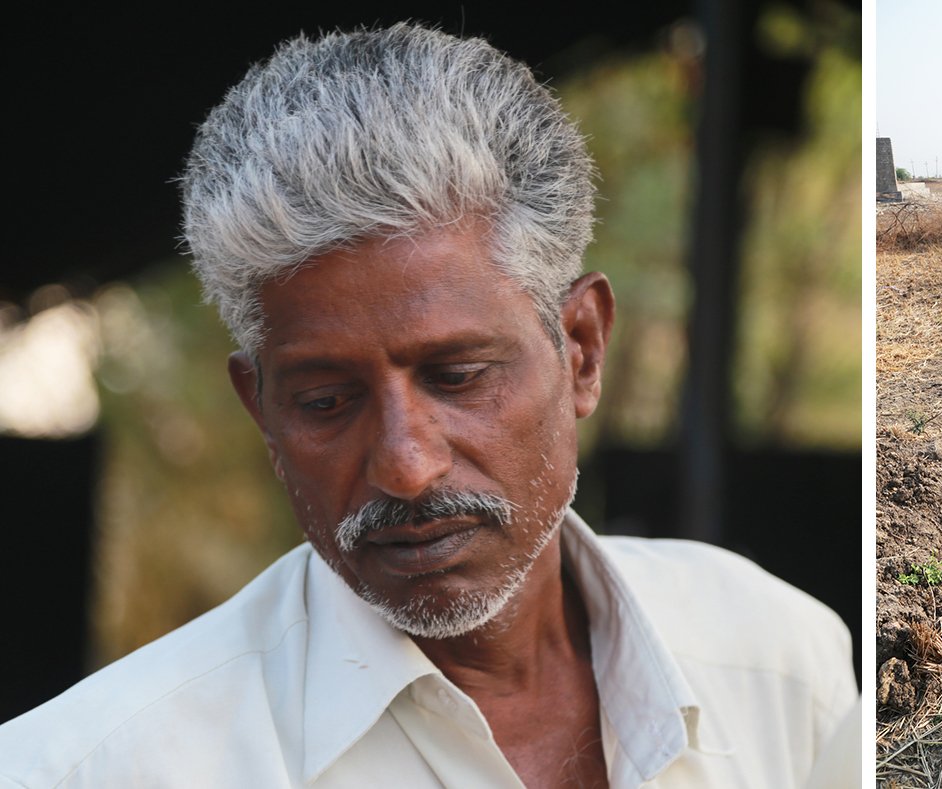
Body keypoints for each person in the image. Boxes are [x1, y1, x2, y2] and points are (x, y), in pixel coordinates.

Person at [0, 24, 856, 787]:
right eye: (328, 400)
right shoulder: (93, 766)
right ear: (260, 409)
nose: (407, 465)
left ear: (583, 347)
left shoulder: (778, 661)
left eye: (459, 376)